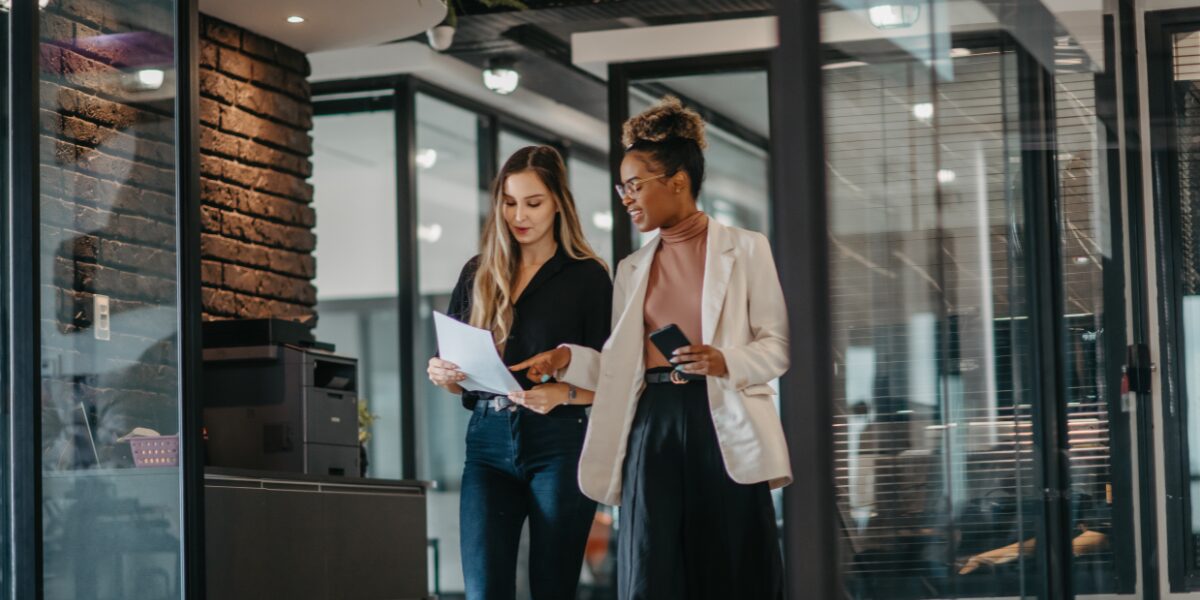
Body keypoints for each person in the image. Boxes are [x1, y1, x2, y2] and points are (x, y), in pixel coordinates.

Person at [512, 96, 791, 599]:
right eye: (622, 187)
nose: (626, 197)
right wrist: (567, 359)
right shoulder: (630, 269)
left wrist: (725, 359)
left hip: (720, 419)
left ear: (678, 181)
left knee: (733, 568)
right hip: (651, 424)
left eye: (635, 184)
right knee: (650, 570)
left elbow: (777, 347)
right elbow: (623, 369)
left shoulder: (748, 248)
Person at [426, 146, 612, 600]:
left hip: (560, 443)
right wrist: (443, 373)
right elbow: (458, 381)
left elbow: (617, 379)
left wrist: (564, 394)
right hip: (487, 443)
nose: (519, 215)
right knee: (484, 590)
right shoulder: (478, 273)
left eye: (533, 203)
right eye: (509, 203)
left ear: (557, 204)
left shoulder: (588, 278)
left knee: (553, 587)